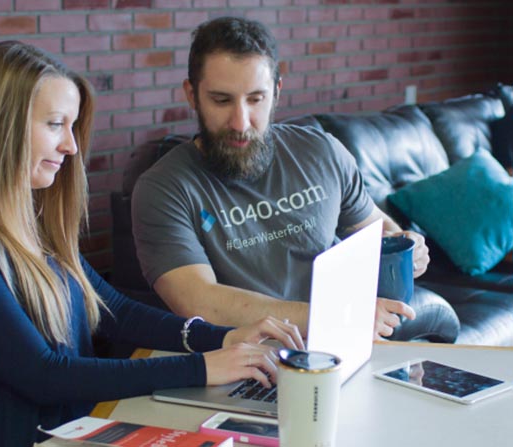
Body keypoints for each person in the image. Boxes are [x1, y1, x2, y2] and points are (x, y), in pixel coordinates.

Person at [0, 40, 303, 447]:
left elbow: (115, 310)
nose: (71, 146)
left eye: (71, 127)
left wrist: (223, 338)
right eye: (56, 124)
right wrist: (203, 367)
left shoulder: (30, 223)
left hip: (62, 433)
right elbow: (44, 374)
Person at [131, 17, 430, 340]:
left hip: (345, 346)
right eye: (221, 100)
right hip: (246, 361)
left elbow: (378, 232)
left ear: (276, 91)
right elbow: (199, 301)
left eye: (255, 99)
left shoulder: (321, 151)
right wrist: (335, 316)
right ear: (192, 95)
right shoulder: (163, 188)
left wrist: (410, 248)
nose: (240, 121)